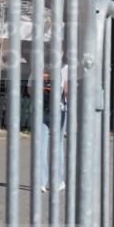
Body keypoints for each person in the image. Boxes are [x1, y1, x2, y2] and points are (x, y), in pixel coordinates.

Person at [36, 63, 68, 192]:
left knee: (42, 145)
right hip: (58, 109)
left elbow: (29, 89)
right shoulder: (66, 68)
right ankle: (57, 181)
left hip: (44, 109)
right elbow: (67, 92)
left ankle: (42, 181)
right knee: (57, 145)